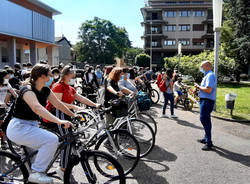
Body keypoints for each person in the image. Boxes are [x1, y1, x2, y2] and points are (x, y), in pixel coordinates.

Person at [6, 64, 76, 183]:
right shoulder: (26, 89)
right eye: (50, 75)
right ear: (41, 76)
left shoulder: (45, 90)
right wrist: (59, 121)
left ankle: (34, 175)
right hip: (19, 127)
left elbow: (58, 104)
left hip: (31, 127)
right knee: (52, 140)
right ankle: (37, 172)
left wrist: (74, 115)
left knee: (36, 159)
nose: (52, 78)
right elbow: (37, 108)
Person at [45, 65, 100, 179]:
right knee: (68, 141)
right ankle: (62, 169)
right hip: (58, 114)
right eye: (72, 73)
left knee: (73, 141)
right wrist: (75, 108)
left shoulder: (69, 87)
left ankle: (66, 163)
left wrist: (94, 104)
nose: (74, 75)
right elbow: (59, 104)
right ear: (66, 75)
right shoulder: (58, 86)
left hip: (67, 114)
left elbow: (80, 98)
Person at [195, 60, 217, 151]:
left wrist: (198, 87)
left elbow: (208, 90)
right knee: (205, 120)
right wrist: (198, 89)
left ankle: (209, 143)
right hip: (205, 100)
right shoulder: (207, 75)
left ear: (207, 66)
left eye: (202, 67)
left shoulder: (210, 75)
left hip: (207, 101)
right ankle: (206, 138)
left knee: (204, 119)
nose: (201, 68)